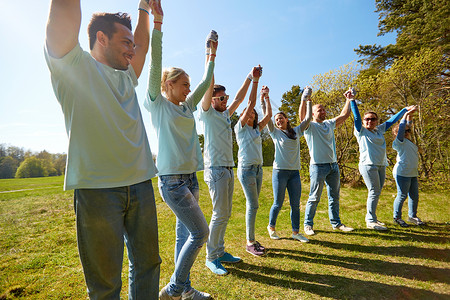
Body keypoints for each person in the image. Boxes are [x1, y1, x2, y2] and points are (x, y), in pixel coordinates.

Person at [45, 0, 160, 298]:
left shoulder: (127, 75)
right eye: (125, 42)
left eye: (132, 44)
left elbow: (144, 46)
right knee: (105, 285)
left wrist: (144, 10)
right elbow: (63, 13)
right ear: (101, 38)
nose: (132, 50)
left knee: (148, 265)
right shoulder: (72, 66)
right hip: (98, 192)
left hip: (141, 186)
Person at [143, 2, 215, 299]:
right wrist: (158, 26)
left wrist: (211, 55)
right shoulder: (157, 103)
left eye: (187, 85)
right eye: (182, 85)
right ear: (169, 85)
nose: (188, 90)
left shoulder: (186, 107)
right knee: (201, 233)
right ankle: (174, 288)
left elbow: (204, 82)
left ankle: (183, 289)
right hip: (172, 181)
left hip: (191, 178)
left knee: (184, 234)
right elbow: (155, 65)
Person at [200, 62, 262, 274]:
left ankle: (219, 251)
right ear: (213, 99)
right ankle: (211, 256)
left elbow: (242, 98)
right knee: (219, 214)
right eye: (222, 98)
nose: (226, 101)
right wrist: (211, 56)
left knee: (225, 214)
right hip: (215, 170)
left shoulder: (225, 115)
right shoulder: (207, 113)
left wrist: (251, 78)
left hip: (228, 168)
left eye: (226, 97)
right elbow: (209, 85)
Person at [350, 95, 416, 231]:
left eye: (373, 119)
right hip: (368, 165)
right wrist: (352, 100)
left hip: (380, 164)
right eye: (367, 119)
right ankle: (370, 221)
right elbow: (356, 117)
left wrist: (404, 110)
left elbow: (392, 120)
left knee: (377, 191)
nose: (370, 121)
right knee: (374, 191)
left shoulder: (379, 130)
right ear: (363, 121)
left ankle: (373, 217)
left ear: (376, 121)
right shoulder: (360, 131)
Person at [301, 89, 355, 236]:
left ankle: (336, 223)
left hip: (333, 165)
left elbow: (344, 115)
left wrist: (348, 99)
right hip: (318, 167)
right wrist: (305, 99)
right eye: (319, 110)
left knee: (334, 196)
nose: (323, 111)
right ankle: (308, 225)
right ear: (312, 114)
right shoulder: (309, 126)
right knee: (314, 197)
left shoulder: (329, 124)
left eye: (324, 109)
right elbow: (301, 117)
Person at [266, 87, 312, 242]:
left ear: (286, 120)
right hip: (279, 172)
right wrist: (266, 98)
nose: (278, 120)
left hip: (294, 173)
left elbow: (308, 119)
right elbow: (268, 116)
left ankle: (295, 232)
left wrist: (308, 101)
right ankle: (271, 227)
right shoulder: (274, 132)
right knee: (278, 203)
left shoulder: (296, 132)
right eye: (277, 119)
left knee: (295, 204)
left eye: (281, 118)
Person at [234, 82, 272, 256]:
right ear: (244, 115)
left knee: (254, 205)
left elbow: (269, 115)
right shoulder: (240, 128)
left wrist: (266, 98)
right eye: (248, 113)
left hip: (258, 169)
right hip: (246, 169)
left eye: (253, 114)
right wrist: (256, 85)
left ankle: (252, 239)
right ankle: (250, 242)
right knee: (253, 204)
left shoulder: (257, 129)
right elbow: (249, 105)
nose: (251, 115)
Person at [391, 106, 425, 227]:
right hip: (402, 172)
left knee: (414, 196)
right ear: (396, 133)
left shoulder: (410, 141)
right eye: (404, 131)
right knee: (402, 195)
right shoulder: (399, 142)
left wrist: (410, 113)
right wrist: (405, 114)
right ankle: (397, 217)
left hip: (412, 173)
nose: (407, 133)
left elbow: (408, 124)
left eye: (408, 131)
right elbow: (402, 127)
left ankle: (413, 216)